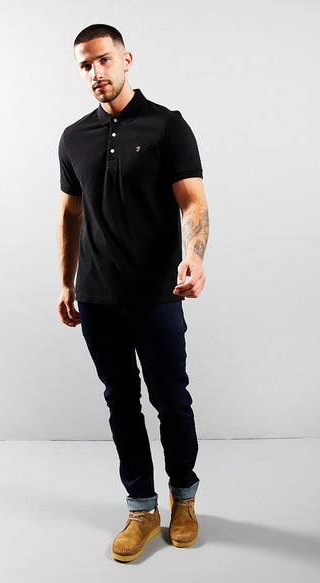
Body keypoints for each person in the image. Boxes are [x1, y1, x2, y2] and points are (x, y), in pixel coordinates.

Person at [57, 23, 209, 562]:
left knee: (171, 399)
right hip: (98, 296)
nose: (96, 72)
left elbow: (193, 201)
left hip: (156, 293)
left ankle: (183, 498)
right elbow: (71, 214)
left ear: (126, 59)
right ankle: (141, 509)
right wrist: (66, 281)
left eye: (104, 59)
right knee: (120, 401)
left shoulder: (167, 125)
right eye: (85, 65)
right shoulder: (73, 137)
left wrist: (194, 256)